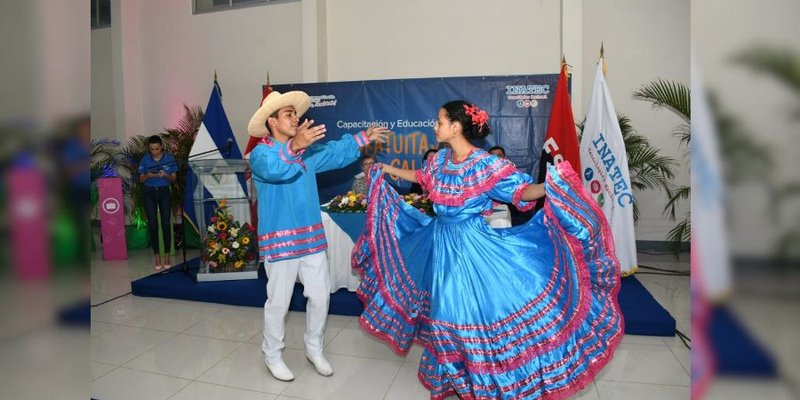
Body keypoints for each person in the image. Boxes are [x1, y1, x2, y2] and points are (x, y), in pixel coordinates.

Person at [352, 100, 623, 399]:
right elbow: (422, 178)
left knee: (457, 312)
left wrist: (550, 185)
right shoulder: (440, 160)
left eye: (439, 121)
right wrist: (387, 168)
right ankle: (454, 376)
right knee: (446, 314)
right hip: (439, 241)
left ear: (455, 127)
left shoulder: (485, 164)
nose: (435, 126)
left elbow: (520, 192)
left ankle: (477, 378)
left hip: (471, 248)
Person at [247, 90, 388, 382]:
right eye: (288, 114)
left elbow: (334, 154)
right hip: (280, 240)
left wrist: (363, 137)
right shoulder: (261, 153)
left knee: (321, 296)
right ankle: (272, 353)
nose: (295, 118)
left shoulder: (307, 152)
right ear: (272, 122)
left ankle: (314, 347)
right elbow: (275, 170)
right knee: (279, 301)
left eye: (294, 114)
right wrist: (295, 146)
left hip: (310, 237)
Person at [138, 135, 177, 271]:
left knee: (166, 224)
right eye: (152, 149)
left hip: (164, 192)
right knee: (153, 225)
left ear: (162, 147)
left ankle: (166, 255)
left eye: (157, 149)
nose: (155, 151)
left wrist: (165, 175)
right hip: (149, 192)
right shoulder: (145, 159)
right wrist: (148, 175)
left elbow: (173, 179)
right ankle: (156, 256)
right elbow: (141, 179)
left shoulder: (169, 159)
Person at [487, 144, 535, 226]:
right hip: (494, 213)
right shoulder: (482, 176)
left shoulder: (514, 174)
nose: (496, 159)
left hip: (515, 212)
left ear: (504, 157)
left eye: (499, 156)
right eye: (493, 157)